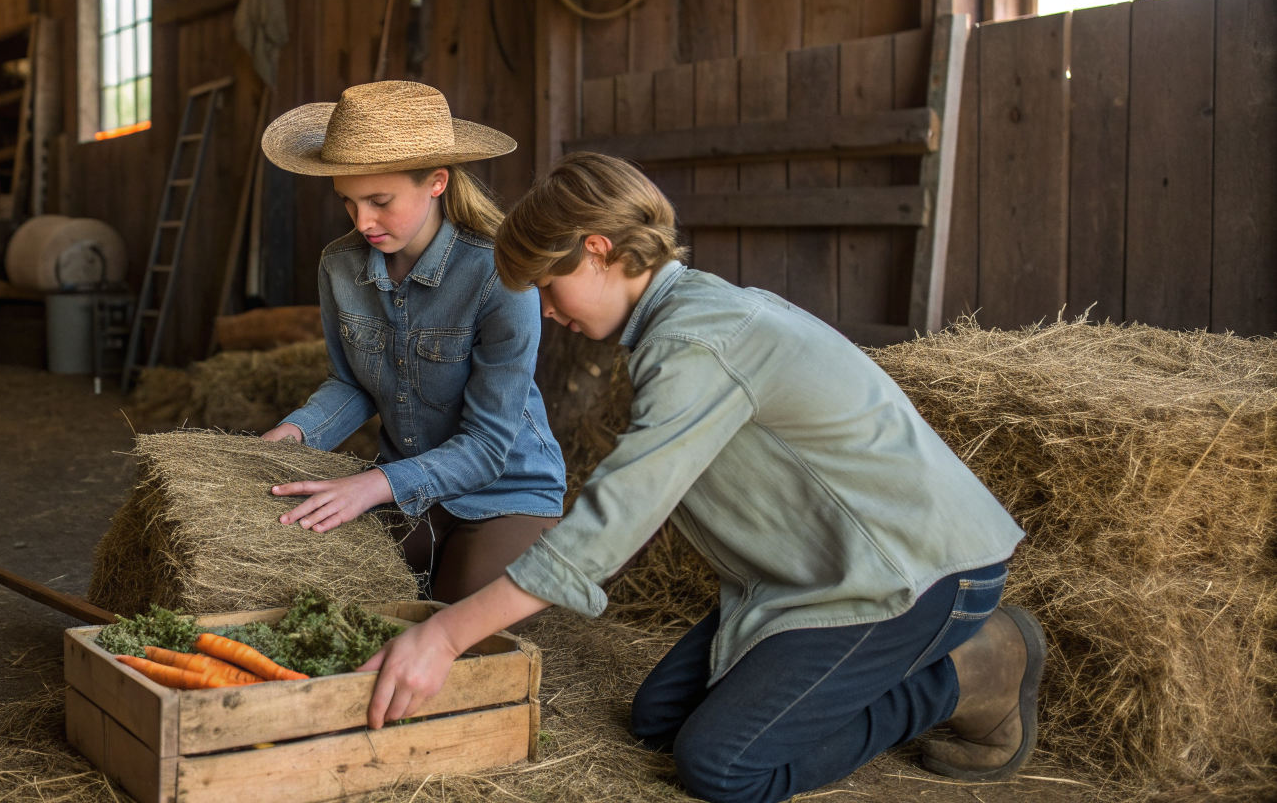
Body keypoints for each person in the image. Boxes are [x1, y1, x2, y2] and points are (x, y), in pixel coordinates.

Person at [358, 152, 1046, 803]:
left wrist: (443, 635)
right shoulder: (688, 315)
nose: (544, 309)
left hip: (914, 571)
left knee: (721, 766)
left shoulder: (696, 343)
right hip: (819, 569)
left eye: (547, 284)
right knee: (659, 720)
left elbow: (616, 515)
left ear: (598, 249)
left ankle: (972, 671)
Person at [256, 80, 567, 607]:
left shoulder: (499, 276)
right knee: (337, 606)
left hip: (504, 490)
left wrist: (372, 485)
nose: (363, 222)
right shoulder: (340, 265)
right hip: (408, 492)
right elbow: (352, 383)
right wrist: (293, 435)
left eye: (380, 201)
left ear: (437, 182)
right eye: (347, 202)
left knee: (441, 625)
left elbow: (490, 447)